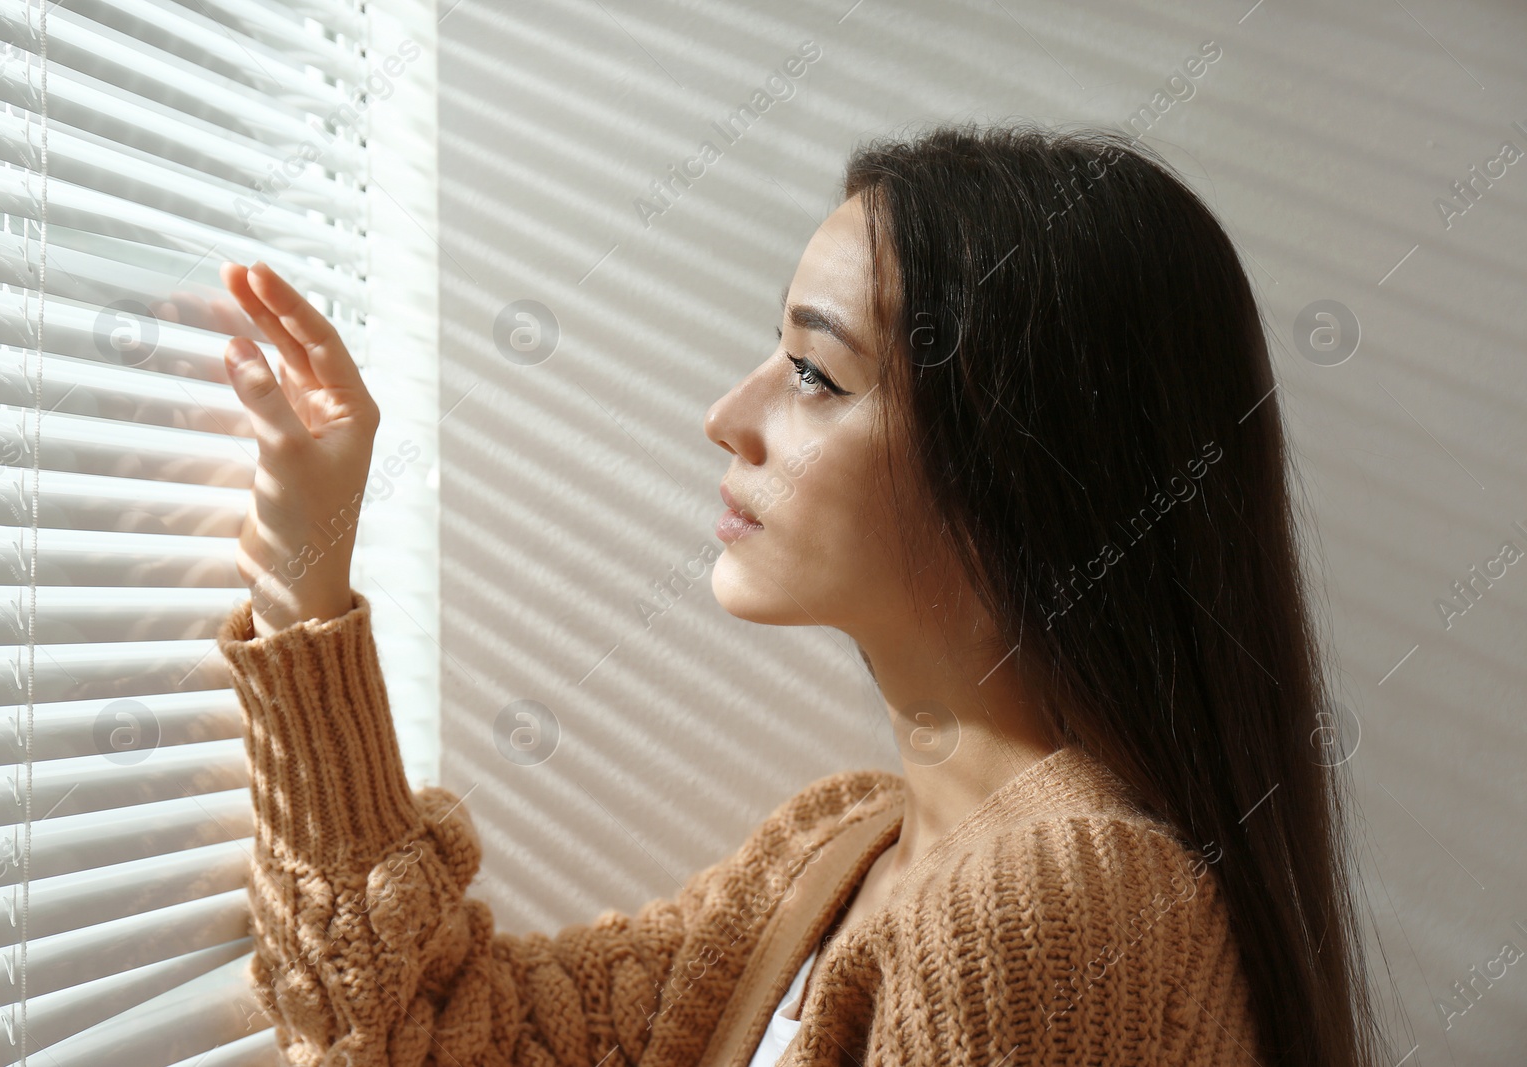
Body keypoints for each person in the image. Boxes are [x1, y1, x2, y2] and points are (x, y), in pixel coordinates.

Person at [213, 120, 1387, 1066]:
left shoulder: (1048, 904)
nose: (727, 417)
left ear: (1019, 470)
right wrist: (303, 582)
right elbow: (424, 1031)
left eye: (816, 373)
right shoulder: (839, 852)